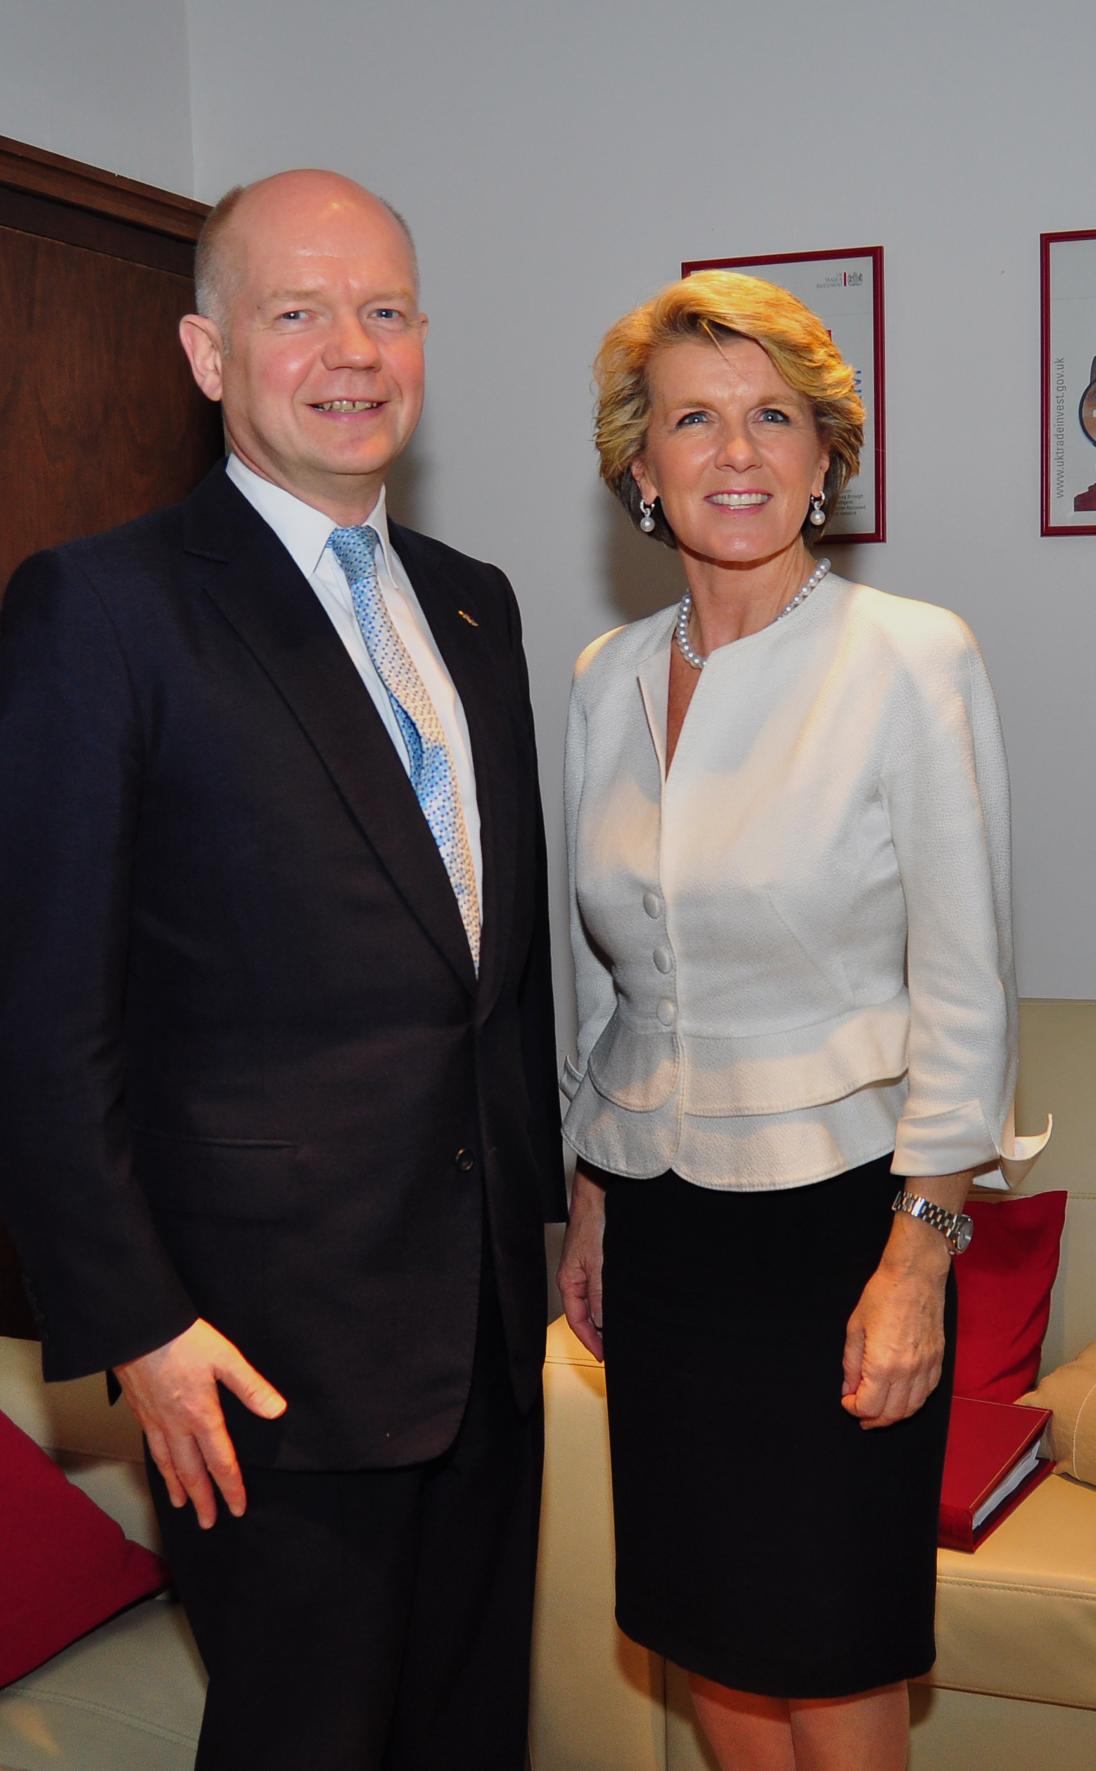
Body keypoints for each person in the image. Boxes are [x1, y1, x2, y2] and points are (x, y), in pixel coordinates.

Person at [0, 169, 564, 1771]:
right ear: (209, 353)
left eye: (384, 311)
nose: (350, 351)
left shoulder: (477, 609)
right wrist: (140, 1328)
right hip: (256, 1358)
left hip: (485, 1337)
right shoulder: (104, 609)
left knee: (464, 1740)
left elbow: (489, 970)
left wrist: (561, 1213)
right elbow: (24, 1024)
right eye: (296, 313)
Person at [556, 270, 1049, 1771]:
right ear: (640, 466)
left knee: (829, 1661)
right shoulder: (607, 677)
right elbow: (606, 970)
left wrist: (923, 1255)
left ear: (826, 455)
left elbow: (969, 982)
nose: (738, 454)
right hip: (659, 1234)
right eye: (694, 420)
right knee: (710, 1646)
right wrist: (586, 1196)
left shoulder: (911, 656)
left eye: (774, 417)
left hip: (847, 1230)